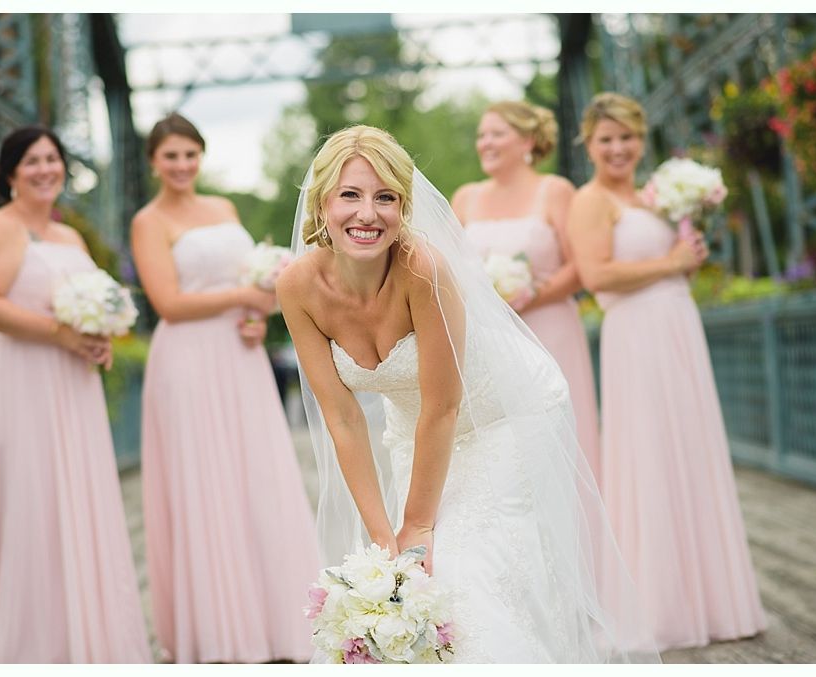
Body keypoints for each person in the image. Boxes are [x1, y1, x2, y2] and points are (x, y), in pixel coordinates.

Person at [277, 125, 659, 663]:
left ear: (404, 207)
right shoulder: (297, 286)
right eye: (351, 195)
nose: (368, 214)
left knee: (469, 566)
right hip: (418, 432)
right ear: (320, 205)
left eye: (386, 197)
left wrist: (417, 525)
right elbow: (341, 418)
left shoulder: (421, 268)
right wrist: (383, 536)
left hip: (507, 414)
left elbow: (445, 405)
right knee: (407, 572)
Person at [566, 92, 767, 651]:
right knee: (651, 453)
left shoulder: (653, 196)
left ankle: (713, 598)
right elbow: (597, 274)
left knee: (692, 447)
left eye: (627, 136)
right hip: (636, 336)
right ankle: (659, 607)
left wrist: (687, 252)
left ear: (641, 139)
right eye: (606, 139)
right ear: (589, 144)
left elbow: (661, 263)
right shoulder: (590, 200)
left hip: (679, 325)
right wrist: (669, 263)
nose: (618, 148)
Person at [131, 113, 319, 664]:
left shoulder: (225, 209)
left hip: (241, 358)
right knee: (204, 479)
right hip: (187, 362)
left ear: (201, 156)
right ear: (153, 162)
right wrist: (245, 293)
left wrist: (260, 311)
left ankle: (276, 618)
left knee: (257, 474)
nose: (182, 165)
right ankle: (219, 629)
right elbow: (169, 303)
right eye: (171, 156)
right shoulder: (149, 220)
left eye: (190, 154)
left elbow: (255, 294)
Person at [0, 126, 150, 663]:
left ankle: (84, 641)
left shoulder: (69, 237)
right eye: (31, 161)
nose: (45, 169)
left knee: (76, 498)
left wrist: (100, 340)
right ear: (10, 173)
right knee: (30, 502)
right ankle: (30, 650)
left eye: (52, 159)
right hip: (18, 381)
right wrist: (62, 335)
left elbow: (88, 303)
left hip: (72, 384)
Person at [453, 100, 601, 481]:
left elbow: (579, 266)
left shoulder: (555, 191)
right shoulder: (465, 198)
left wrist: (528, 295)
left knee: (557, 435)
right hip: (489, 339)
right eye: (481, 135)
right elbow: (448, 270)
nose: (485, 142)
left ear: (528, 141)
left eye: (497, 134)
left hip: (550, 331)